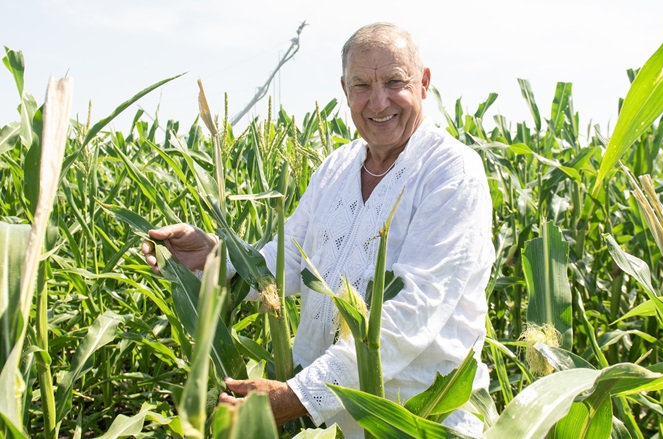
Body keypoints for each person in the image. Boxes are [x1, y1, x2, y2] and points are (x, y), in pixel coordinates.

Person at [141, 22, 495, 437]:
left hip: (418, 418)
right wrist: (215, 258)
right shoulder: (337, 168)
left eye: (395, 81)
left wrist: (295, 397)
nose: (378, 101)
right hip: (328, 426)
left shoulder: (451, 171)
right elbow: (290, 257)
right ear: (345, 91)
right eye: (362, 84)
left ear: (424, 83)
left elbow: (414, 312)